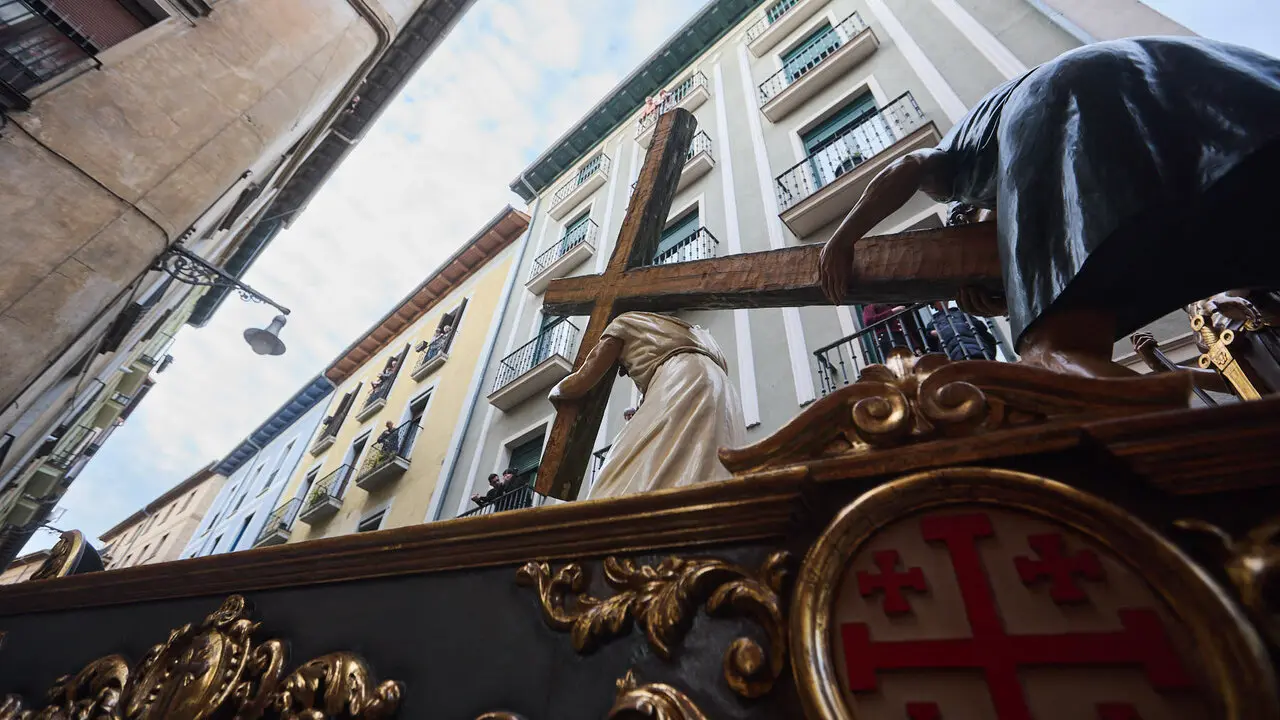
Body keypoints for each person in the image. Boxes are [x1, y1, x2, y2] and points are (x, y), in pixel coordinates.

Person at [818, 37, 1280, 379]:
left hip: (1062, 96)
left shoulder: (959, 173)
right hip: (1171, 79)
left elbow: (909, 166)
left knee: (1050, 354)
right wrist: (1007, 297)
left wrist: (842, 239)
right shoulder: (999, 164)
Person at [550, 312, 745, 499]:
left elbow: (583, 378)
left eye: (622, 367)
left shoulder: (624, 323)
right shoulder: (696, 336)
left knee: (618, 478)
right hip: (721, 391)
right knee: (705, 458)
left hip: (682, 378)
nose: (624, 372)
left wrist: (558, 391)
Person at [928, 303, 997, 361]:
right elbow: (929, 337)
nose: (942, 301)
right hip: (955, 353)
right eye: (938, 301)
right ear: (934, 305)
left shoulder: (960, 312)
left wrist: (969, 324)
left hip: (978, 348)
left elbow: (980, 326)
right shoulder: (934, 320)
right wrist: (936, 333)